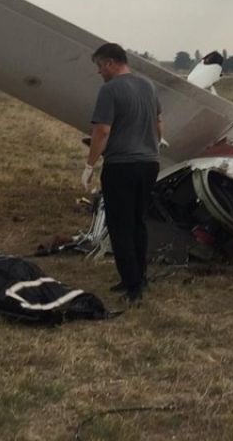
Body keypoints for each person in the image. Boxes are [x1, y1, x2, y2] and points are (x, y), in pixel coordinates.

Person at [82, 42, 162, 304]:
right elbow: (158, 123)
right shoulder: (148, 85)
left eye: (99, 66)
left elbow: (102, 131)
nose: (99, 72)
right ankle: (140, 276)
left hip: (121, 166)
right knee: (138, 222)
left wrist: (89, 165)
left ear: (109, 63)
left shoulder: (109, 90)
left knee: (120, 226)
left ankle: (133, 286)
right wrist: (152, 145)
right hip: (150, 164)